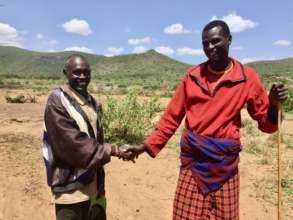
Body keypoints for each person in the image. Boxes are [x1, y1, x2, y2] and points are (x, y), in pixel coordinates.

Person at [124, 20, 288, 219]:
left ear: (229, 40)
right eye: (205, 43)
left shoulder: (246, 78)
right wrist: (145, 146)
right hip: (193, 163)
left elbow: (267, 124)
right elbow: (171, 118)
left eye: (216, 41)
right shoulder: (192, 76)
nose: (210, 47)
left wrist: (272, 105)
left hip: (225, 166)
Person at [42, 54, 127, 220]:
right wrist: (114, 150)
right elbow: (72, 144)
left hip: (93, 183)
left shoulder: (91, 101)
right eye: (77, 72)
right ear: (65, 72)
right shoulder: (57, 101)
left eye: (87, 73)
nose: (83, 77)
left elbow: (94, 138)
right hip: (69, 188)